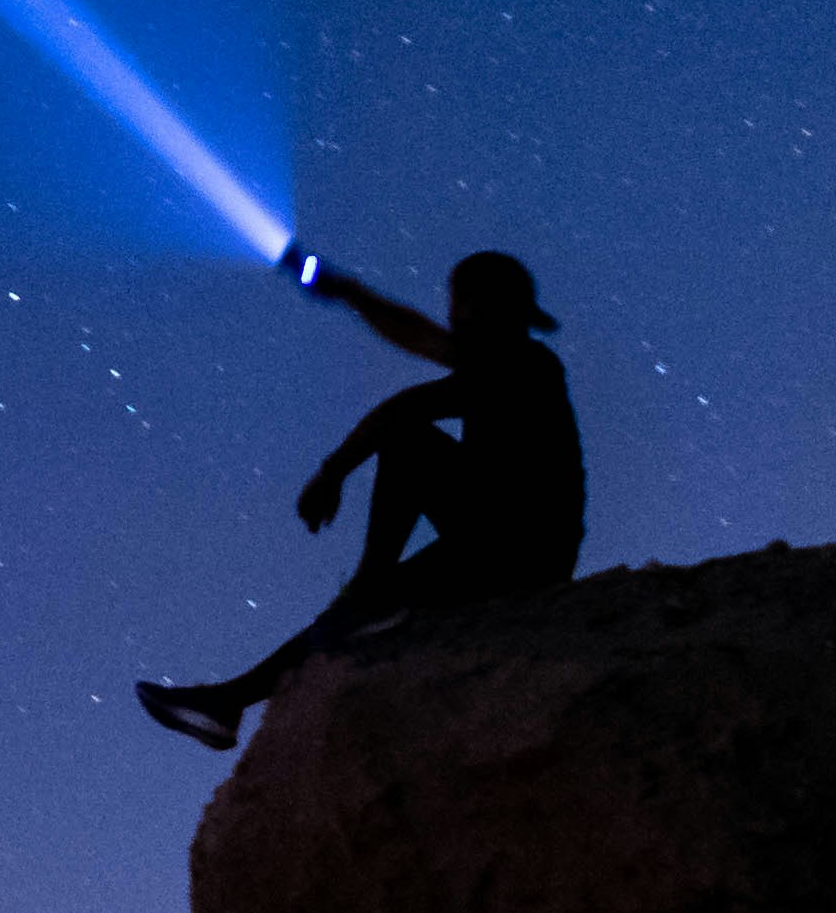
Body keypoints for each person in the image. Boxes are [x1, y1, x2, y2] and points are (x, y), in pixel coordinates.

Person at [134, 247, 582, 751]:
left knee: (409, 444)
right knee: (354, 615)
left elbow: (408, 408)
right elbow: (414, 332)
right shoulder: (507, 361)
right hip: (502, 543)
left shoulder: (524, 365)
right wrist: (346, 291)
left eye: (459, 300)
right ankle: (229, 702)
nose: (451, 313)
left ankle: (367, 591)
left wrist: (333, 472)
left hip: (519, 549)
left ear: (481, 305)